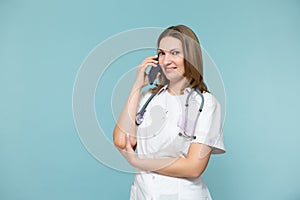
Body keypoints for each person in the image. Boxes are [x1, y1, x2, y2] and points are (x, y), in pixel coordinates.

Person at [113, 25, 225, 200]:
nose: (166, 61)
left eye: (175, 53)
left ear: (190, 57)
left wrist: (138, 162)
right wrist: (137, 85)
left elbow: (193, 167)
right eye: (162, 53)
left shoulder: (206, 103)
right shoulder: (147, 98)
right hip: (143, 194)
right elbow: (121, 141)